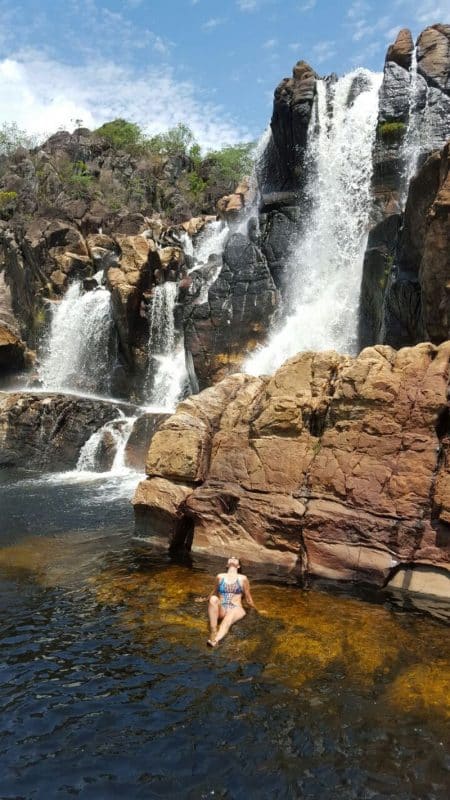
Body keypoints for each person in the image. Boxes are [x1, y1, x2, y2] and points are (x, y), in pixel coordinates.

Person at [206, 556, 256, 647]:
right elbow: (214, 591)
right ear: (227, 564)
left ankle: (215, 640)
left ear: (238, 566)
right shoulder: (220, 576)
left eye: (235, 558)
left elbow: (248, 597)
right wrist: (205, 599)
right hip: (222, 608)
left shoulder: (243, 578)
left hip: (236, 608)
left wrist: (256, 610)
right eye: (231, 557)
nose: (233, 557)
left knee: (228, 620)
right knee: (213, 599)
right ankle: (213, 630)